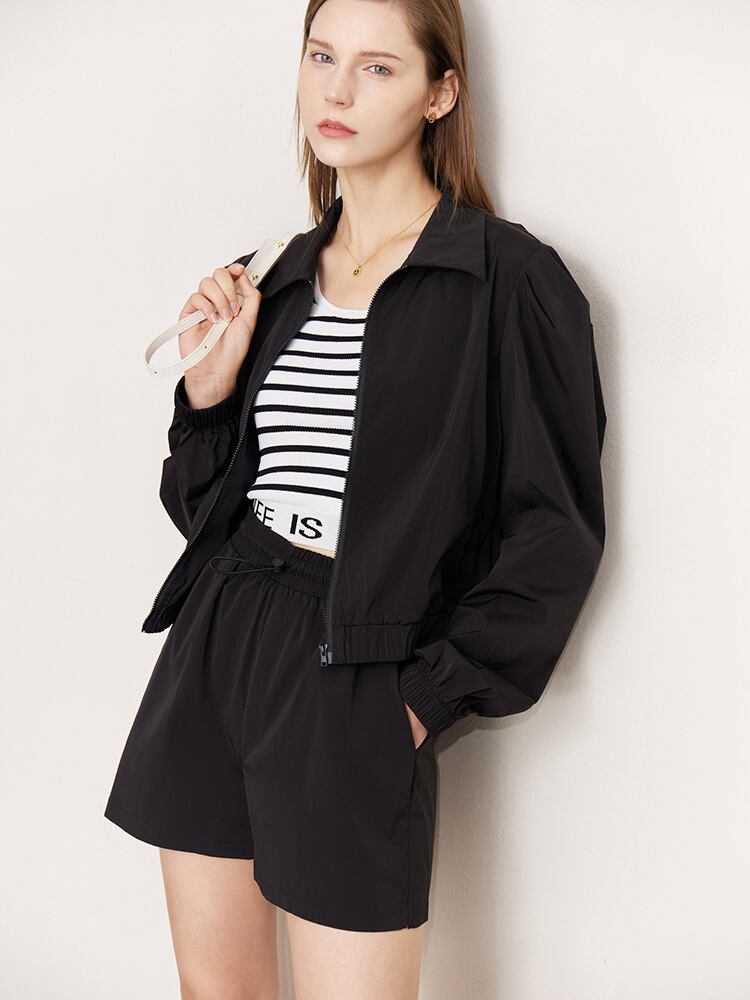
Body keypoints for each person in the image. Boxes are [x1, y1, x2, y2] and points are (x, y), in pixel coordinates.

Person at [104, 0, 608, 997]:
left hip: (357, 668)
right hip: (216, 646)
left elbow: (553, 533)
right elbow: (205, 512)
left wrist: (419, 701)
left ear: (440, 93)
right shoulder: (272, 278)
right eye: (321, 56)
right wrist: (208, 394)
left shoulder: (509, 280)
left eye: (378, 68)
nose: (335, 90)